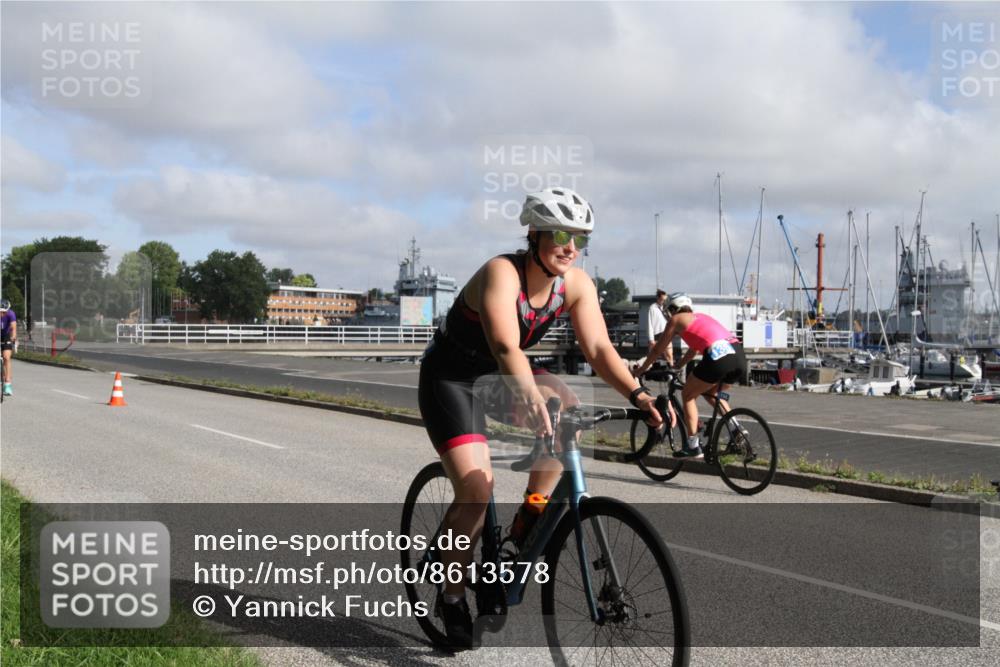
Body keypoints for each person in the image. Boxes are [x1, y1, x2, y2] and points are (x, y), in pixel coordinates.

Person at [417, 187, 670, 649]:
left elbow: (598, 350)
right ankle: (451, 595)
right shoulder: (502, 273)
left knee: (567, 404)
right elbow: (506, 346)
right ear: (533, 234)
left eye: (580, 239)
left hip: (502, 373)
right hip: (453, 378)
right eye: (559, 234)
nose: (570, 247)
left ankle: (525, 524)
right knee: (477, 488)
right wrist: (530, 398)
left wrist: (638, 394)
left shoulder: (575, 285)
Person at [634, 292, 746, 459]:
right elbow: (693, 350)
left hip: (719, 358)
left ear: (673, 309)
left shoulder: (676, 320)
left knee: (688, 394)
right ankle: (736, 428)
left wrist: (641, 369)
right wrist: (679, 365)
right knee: (712, 393)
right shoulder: (700, 317)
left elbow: (658, 349)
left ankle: (693, 445)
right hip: (738, 355)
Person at [646, 289, 668, 361]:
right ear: (658, 298)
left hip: (666, 333)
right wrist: (651, 339)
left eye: (665, 300)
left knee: (668, 355)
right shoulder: (652, 308)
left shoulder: (666, 308)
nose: (664, 301)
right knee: (654, 356)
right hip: (657, 334)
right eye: (662, 299)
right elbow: (650, 324)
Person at [1, 299, 17, 396]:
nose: (2, 314)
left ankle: (7, 384)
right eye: (0, 312)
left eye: (4, 312)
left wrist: (13, 337)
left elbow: (13, 328)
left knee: (6, 357)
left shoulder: (11, 314)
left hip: (6, 335)